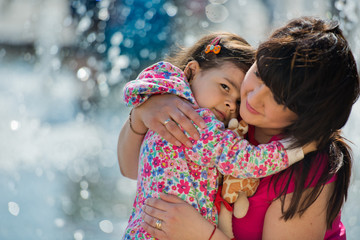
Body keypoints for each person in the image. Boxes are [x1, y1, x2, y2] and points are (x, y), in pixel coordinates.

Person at [118, 17, 360, 239]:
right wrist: (141, 115)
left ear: (306, 115)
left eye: (278, 99)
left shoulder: (310, 169)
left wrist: (203, 235)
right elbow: (131, 170)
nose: (253, 98)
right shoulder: (231, 119)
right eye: (260, 74)